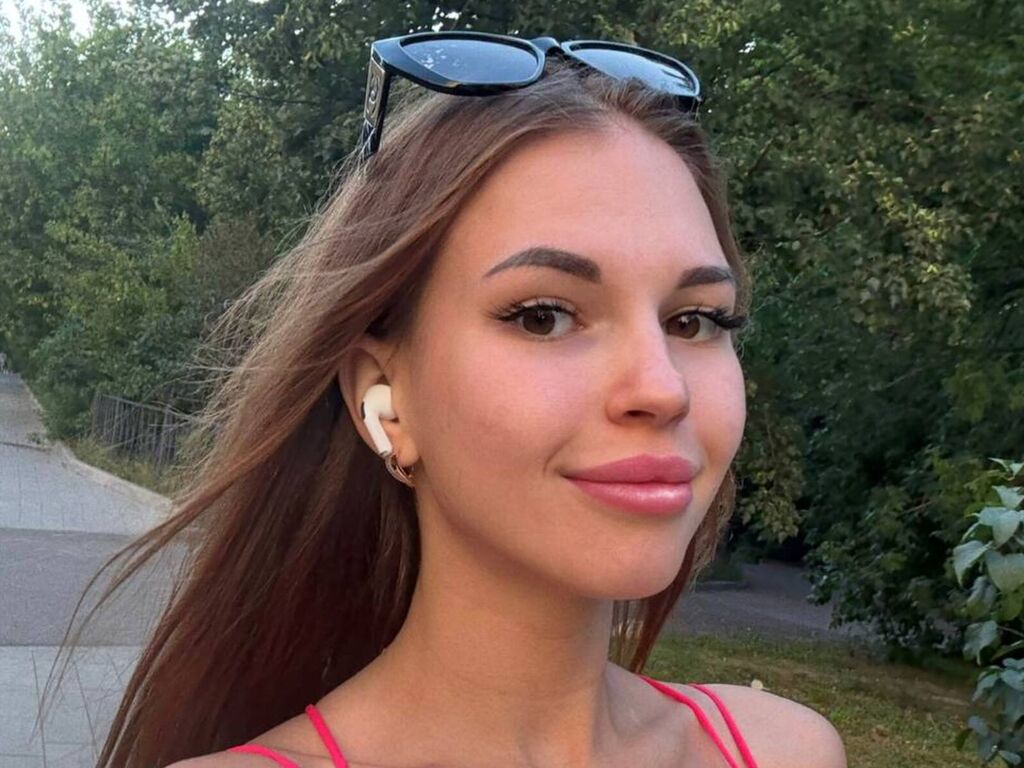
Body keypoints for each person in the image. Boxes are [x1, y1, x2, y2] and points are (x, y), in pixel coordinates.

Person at [80, 31, 846, 768]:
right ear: (384, 397)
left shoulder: (788, 751)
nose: (662, 388)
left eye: (694, 321)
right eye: (543, 316)